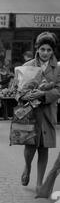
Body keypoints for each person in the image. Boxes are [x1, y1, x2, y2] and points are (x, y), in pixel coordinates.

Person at [20, 32, 60, 194]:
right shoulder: (27, 66)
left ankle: (39, 183)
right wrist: (26, 95)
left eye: (49, 50)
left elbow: (58, 89)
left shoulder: (57, 68)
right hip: (30, 114)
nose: (45, 53)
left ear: (53, 51)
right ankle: (27, 167)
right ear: (37, 49)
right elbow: (18, 89)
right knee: (30, 147)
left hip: (48, 113)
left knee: (44, 148)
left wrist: (44, 95)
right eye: (42, 49)